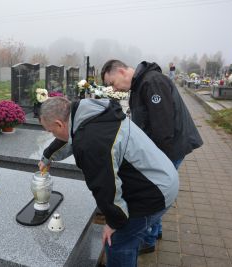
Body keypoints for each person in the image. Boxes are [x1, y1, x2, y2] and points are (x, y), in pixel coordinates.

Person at [38, 97, 179, 267]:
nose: (53, 134)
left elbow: (105, 186)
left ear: (60, 124)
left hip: (154, 193)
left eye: (51, 131)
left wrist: (114, 222)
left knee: (117, 243)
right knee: (128, 239)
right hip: (162, 176)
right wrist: (47, 156)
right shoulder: (87, 112)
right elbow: (70, 135)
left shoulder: (90, 142)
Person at [101, 59, 203, 254]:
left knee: (155, 190)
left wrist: (151, 162)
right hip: (166, 148)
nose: (114, 89)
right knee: (158, 191)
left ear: (122, 71)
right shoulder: (140, 84)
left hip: (170, 149)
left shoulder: (152, 82)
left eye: (112, 83)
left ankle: (147, 239)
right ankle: (154, 232)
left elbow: (163, 128)